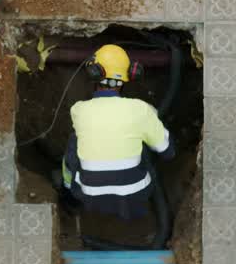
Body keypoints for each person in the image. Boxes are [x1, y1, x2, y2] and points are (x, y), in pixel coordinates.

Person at [61, 44, 175, 220]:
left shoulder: (78, 110)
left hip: (89, 195)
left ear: (93, 72)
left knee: (75, 141)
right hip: (136, 194)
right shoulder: (141, 110)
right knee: (142, 142)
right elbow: (167, 152)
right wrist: (151, 118)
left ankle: (69, 194)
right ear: (131, 74)